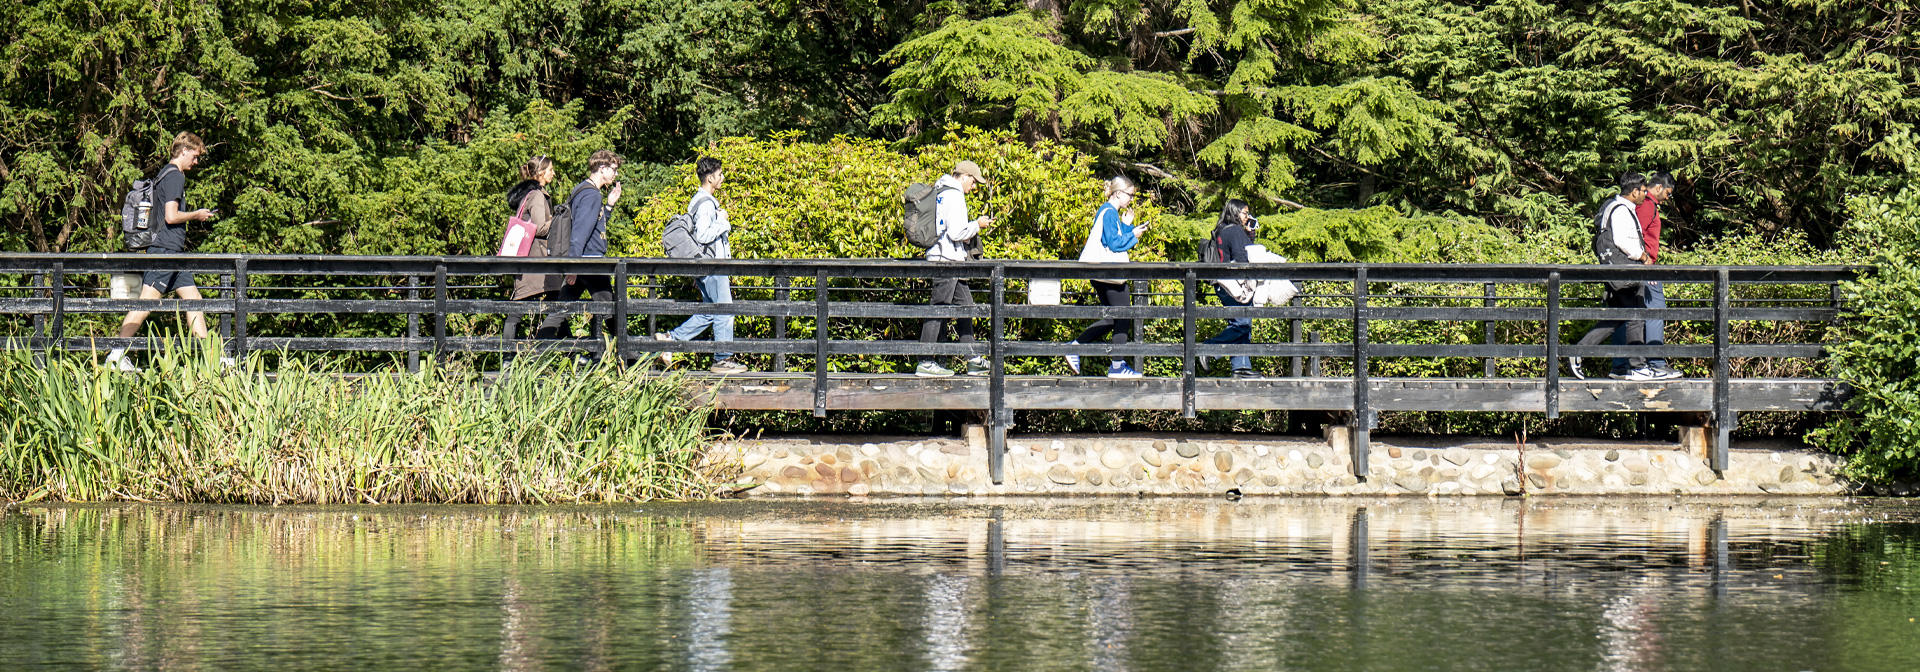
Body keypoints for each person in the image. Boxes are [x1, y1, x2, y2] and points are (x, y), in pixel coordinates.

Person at [106, 132, 226, 373]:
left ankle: (213, 361)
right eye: (195, 156)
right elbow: (171, 216)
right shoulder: (175, 177)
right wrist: (196, 214)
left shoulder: (164, 175)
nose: (196, 161)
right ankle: (116, 354)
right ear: (184, 151)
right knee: (146, 303)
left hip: (173, 253)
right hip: (165, 250)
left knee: (194, 301)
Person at [1570, 172, 1677, 382]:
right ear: (1634, 191)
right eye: (1643, 190)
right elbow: (1624, 242)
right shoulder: (1621, 211)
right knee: (1636, 315)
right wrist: (1644, 257)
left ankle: (1578, 351)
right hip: (1627, 270)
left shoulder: (1615, 207)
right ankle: (1637, 367)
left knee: (1617, 318)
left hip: (1617, 272)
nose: (1646, 194)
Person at [656, 157, 747, 374]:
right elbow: (704, 235)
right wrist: (723, 221)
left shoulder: (700, 201)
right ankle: (723, 359)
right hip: (713, 266)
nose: (722, 178)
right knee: (725, 310)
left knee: (709, 312)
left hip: (707, 267)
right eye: (720, 174)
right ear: (710, 178)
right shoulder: (706, 203)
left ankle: (669, 340)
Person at [534, 150, 623, 344]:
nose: (615, 174)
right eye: (613, 170)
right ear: (602, 168)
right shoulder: (591, 195)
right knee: (610, 310)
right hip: (589, 263)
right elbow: (579, 233)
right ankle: (630, 357)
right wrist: (573, 266)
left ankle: (535, 352)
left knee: (561, 310)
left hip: (583, 261)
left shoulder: (583, 190)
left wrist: (609, 207)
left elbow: (594, 226)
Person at [916, 160, 994, 378]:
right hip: (946, 259)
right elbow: (957, 233)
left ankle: (972, 359)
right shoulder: (955, 194)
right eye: (974, 181)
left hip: (946, 257)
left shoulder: (940, 190)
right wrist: (977, 224)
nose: (974, 186)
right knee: (938, 309)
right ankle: (925, 361)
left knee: (966, 306)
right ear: (965, 176)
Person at [1065, 175, 1148, 378]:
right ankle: (1117, 366)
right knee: (1123, 315)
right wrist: (1134, 236)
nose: (1131, 199)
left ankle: (1076, 347)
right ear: (1118, 193)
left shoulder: (1108, 212)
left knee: (1114, 318)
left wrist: (1128, 227)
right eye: (1129, 195)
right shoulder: (1109, 212)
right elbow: (1114, 244)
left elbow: (1114, 237)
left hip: (1101, 272)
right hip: (1107, 272)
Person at [1611, 171, 1677, 377]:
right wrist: (1646, 261)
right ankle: (1656, 363)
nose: (1668, 198)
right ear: (1658, 188)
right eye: (1668, 193)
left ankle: (1621, 365)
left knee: (1627, 315)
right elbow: (1635, 236)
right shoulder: (1647, 206)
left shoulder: (1643, 205)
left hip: (1637, 266)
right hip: (1644, 266)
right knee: (1655, 312)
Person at [1200, 199, 1264, 379]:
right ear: (1235, 212)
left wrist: (1249, 234)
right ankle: (1209, 348)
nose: (1248, 217)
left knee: (1241, 323)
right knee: (1242, 325)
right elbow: (1241, 257)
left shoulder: (1222, 229)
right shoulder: (1235, 230)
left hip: (1223, 285)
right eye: (1245, 213)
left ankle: (1241, 367)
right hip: (1234, 285)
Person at [508, 155, 560, 303]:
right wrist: (558, 220)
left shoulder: (529, 194)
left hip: (533, 261)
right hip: (537, 261)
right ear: (541, 172)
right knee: (518, 311)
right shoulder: (537, 195)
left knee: (554, 306)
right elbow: (539, 229)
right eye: (550, 169)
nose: (553, 173)